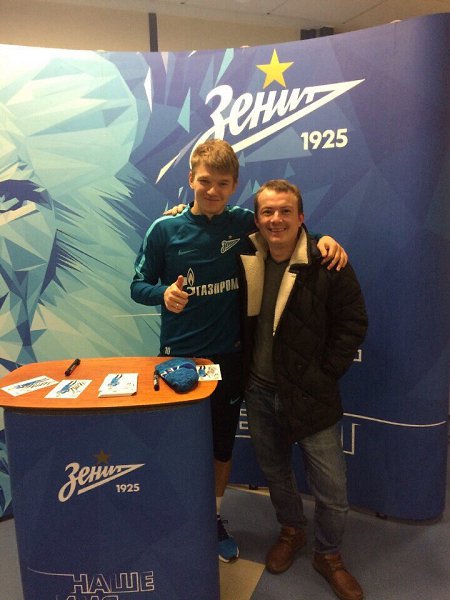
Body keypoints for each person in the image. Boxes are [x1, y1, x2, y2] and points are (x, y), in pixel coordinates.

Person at [130, 139, 348, 563]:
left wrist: (325, 240)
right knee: (177, 447)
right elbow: (138, 286)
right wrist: (163, 295)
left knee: (221, 448)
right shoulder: (163, 229)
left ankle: (211, 519)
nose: (213, 190)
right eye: (205, 181)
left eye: (223, 183)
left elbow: (287, 232)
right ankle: (177, 518)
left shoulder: (243, 223)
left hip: (228, 361)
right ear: (191, 179)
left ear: (234, 186)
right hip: (178, 359)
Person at [239, 179, 368, 600]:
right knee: (276, 473)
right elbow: (204, 223)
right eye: (267, 212)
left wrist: (325, 373)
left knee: (333, 490)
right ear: (257, 219)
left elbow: (353, 322)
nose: (276, 219)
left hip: (312, 394)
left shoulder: (327, 261)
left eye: (285, 211)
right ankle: (292, 530)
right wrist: (176, 214)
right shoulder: (245, 257)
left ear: (301, 217)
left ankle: (328, 555)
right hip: (259, 392)